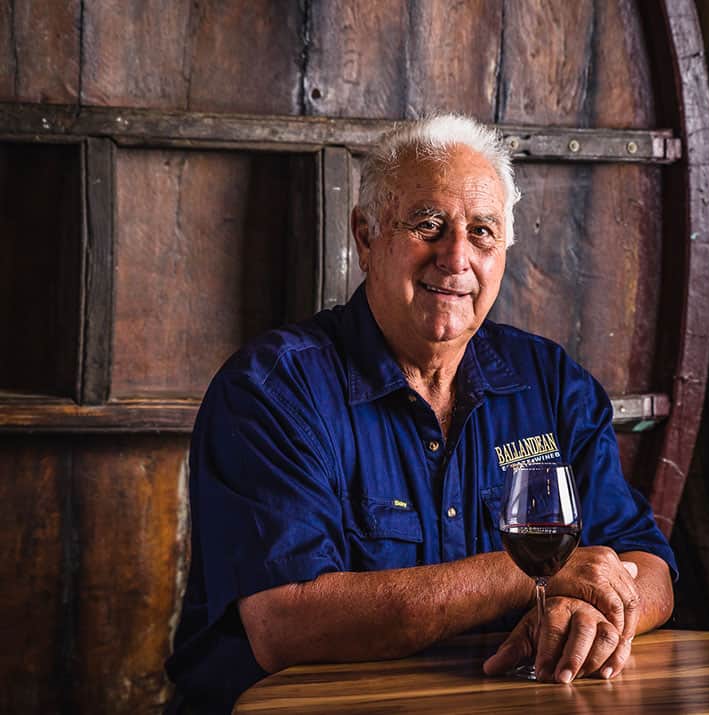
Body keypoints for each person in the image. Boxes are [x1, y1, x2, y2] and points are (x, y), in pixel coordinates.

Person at [165, 115, 677, 713]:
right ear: (365, 238)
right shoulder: (272, 391)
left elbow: (647, 567)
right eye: (428, 225)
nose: (456, 257)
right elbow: (286, 624)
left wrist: (587, 610)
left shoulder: (552, 383)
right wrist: (536, 574)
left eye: (482, 232)